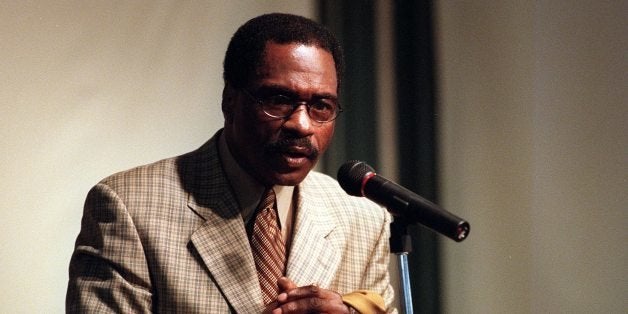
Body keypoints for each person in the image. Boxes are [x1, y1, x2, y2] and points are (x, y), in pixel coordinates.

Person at [66, 13, 395, 313]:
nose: (302, 125)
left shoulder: (362, 218)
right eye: (278, 100)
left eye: (321, 106)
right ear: (230, 101)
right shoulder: (129, 207)